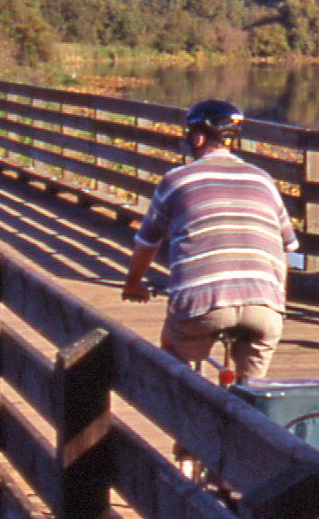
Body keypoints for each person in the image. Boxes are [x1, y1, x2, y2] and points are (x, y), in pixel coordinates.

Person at [121, 99, 300, 379]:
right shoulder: (264, 180)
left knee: (172, 351)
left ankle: (188, 410)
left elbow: (147, 244)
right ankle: (248, 406)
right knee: (251, 392)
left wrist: (133, 284)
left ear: (198, 137)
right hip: (266, 304)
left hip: (202, 303)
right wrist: (276, 301)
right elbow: (286, 247)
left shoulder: (176, 180)